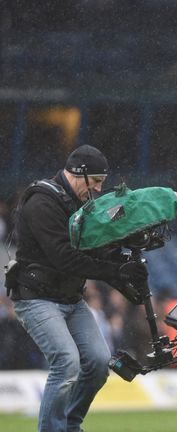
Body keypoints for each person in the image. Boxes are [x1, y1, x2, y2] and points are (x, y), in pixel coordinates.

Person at [6, 145, 149, 432]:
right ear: (78, 174)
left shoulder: (79, 205)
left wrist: (122, 257)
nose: (97, 190)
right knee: (66, 361)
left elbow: (91, 249)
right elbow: (64, 257)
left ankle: (70, 425)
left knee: (97, 362)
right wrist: (113, 272)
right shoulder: (41, 201)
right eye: (95, 182)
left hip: (70, 298)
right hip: (36, 298)